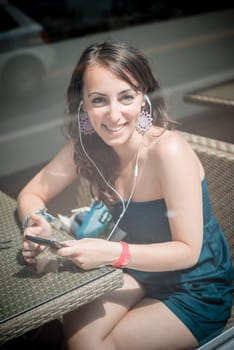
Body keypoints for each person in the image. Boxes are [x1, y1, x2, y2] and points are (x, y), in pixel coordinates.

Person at [17, 40, 233, 350]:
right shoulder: (86, 144)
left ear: (144, 98)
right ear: (83, 105)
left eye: (126, 97)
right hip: (134, 269)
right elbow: (32, 192)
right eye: (99, 100)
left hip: (193, 285)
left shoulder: (168, 151)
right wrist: (38, 220)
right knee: (76, 336)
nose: (114, 115)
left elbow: (188, 251)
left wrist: (110, 253)